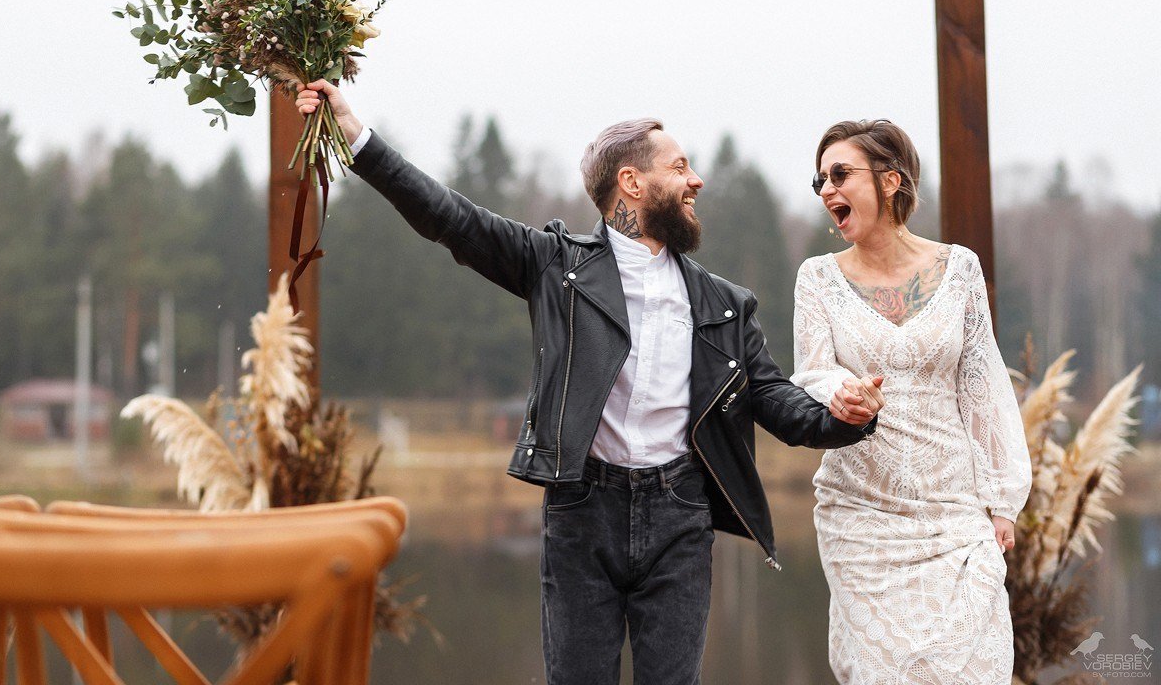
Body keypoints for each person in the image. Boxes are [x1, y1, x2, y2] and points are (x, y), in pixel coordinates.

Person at [295, 81, 884, 685]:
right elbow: (448, 217)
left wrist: (844, 417)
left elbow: (777, 401)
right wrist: (355, 136)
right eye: (679, 168)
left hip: (680, 514)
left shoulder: (724, 303)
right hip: (581, 510)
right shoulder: (554, 266)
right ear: (632, 182)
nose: (695, 181)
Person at [791, 119, 1032, 684]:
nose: (827, 190)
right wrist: (840, 392)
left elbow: (982, 386)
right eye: (820, 180)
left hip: (954, 515)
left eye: (840, 174)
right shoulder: (816, 279)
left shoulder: (961, 269)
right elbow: (812, 373)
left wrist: (1001, 500)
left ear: (891, 180)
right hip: (862, 517)